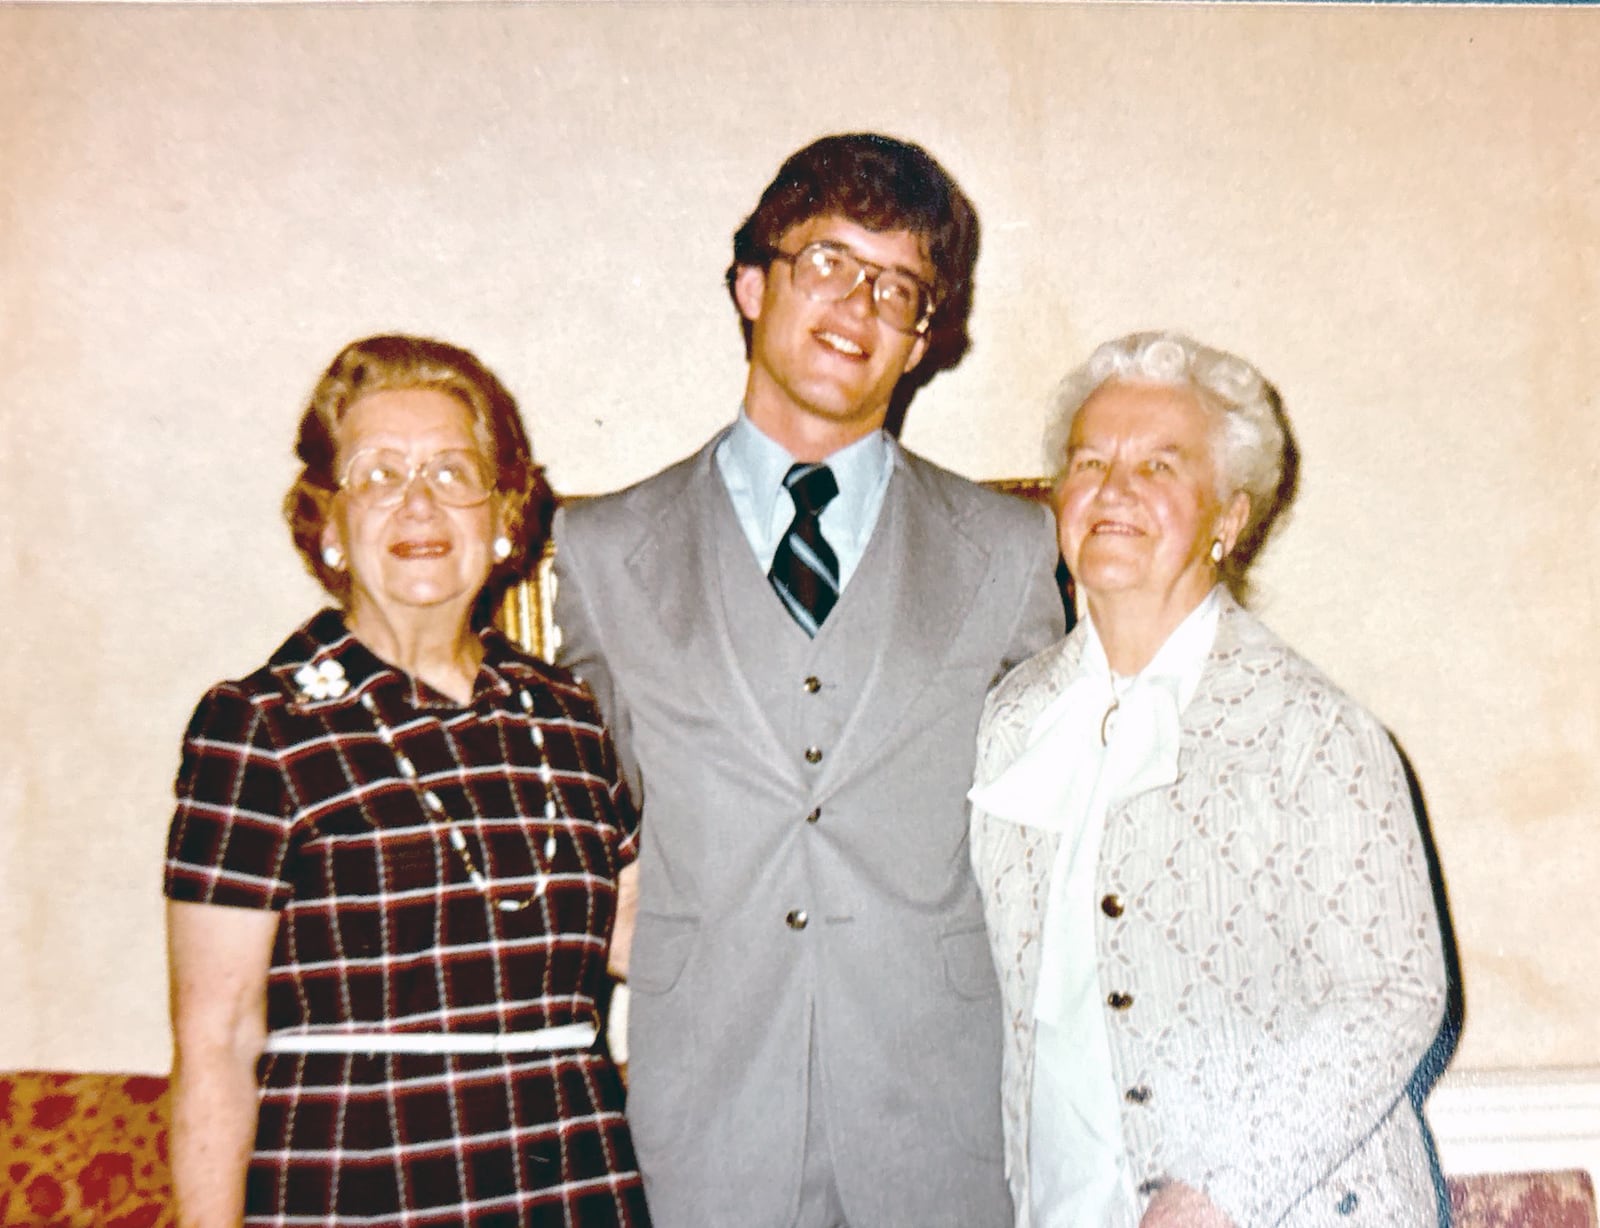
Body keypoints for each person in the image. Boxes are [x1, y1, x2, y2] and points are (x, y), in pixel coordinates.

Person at [552, 133, 1065, 1227]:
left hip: (946, 1124)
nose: (859, 304)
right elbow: (585, 811)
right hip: (706, 1127)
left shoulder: (1011, 547)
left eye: (898, 286)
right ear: (750, 282)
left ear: (926, 339)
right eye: (827, 261)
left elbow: (1056, 839)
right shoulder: (601, 549)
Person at [164, 334, 649, 1227]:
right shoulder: (259, 729)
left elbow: (646, 941)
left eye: (451, 471)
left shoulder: (568, 719)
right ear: (331, 524)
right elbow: (216, 1043)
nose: (418, 503)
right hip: (360, 1185)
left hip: (572, 1188)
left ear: (503, 515)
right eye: (379, 475)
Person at [969, 331, 1451, 1228]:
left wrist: (1212, 1198)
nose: (1114, 489)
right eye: (1089, 461)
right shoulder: (1012, 719)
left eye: (1159, 464)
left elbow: (1394, 995)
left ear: (1229, 517)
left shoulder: (1309, 729)